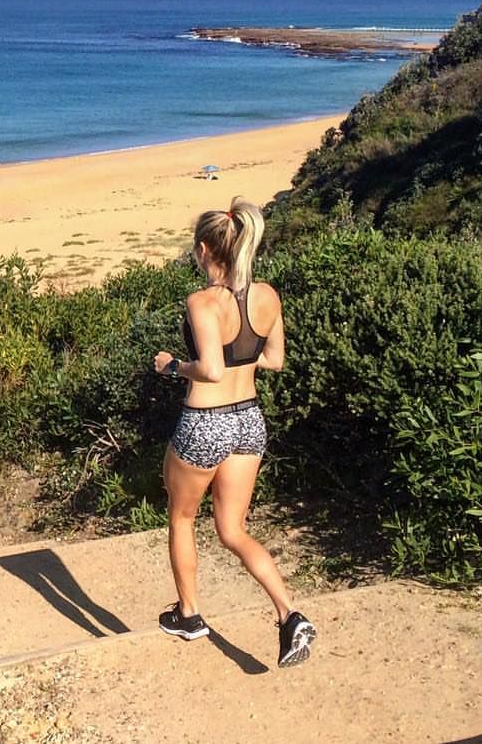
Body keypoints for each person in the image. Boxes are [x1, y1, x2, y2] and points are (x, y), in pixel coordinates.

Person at [153, 196, 315, 668]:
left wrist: (172, 366)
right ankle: (289, 615)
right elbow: (275, 359)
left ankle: (188, 615)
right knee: (233, 530)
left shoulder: (202, 302)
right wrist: (243, 358)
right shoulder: (267, 295)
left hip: (206, 421)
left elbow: (210, 370)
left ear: (205, 250)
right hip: (249, 419)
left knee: (182, 518)